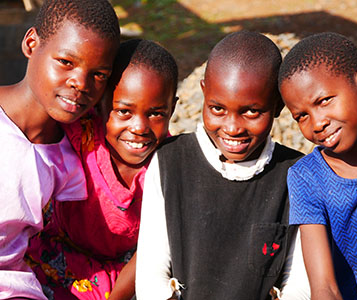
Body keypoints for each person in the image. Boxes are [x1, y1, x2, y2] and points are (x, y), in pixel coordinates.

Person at [136, 31, 311, 300]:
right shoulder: (169, 161)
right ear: (204, 92)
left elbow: (297, 283)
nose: (232, 127)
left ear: (277, 106)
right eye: (217, 108)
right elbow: (152, 272)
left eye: (251, 111)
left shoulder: (296, 174)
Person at [25, 38, 179, 300]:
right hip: (54, 250)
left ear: (172, 108)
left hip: (121, 272)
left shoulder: (169, 165)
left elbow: (152, 248)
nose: (139, 127)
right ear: (100, 104)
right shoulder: (82, 133)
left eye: (156, 113)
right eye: (123, 111)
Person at [0, 0, 120, 299]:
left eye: (99, 75)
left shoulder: (71, 161)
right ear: (31, 43)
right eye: (66, 62)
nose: (80, 83)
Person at [278, 32, 357, 299]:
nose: (317, 123)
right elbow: (325, 287)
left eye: (323, 101)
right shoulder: (308, 178)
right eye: (301, 116)